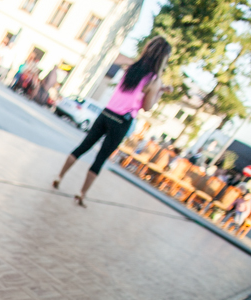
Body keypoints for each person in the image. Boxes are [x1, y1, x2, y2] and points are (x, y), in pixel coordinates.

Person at [52, 37, 172, 207]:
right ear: (163, 58)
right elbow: (147, 107)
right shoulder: (154, 80)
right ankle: (81, 194)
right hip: (121, 121)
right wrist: (159, 92)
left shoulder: (131, 68)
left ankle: (59, 176)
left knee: (83, 147)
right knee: (100, 159)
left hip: (106, 113)